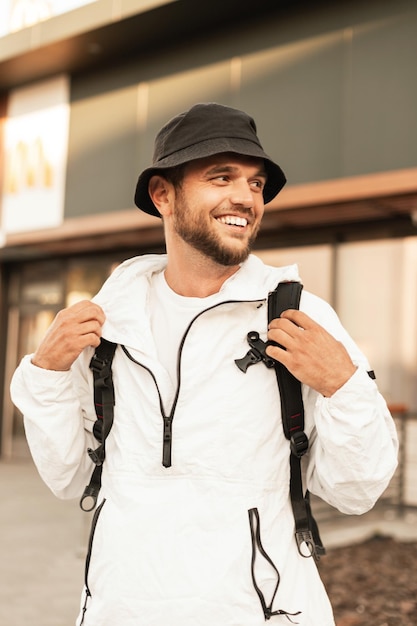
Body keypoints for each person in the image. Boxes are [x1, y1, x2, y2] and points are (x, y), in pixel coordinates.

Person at [10, 102, 398, 626]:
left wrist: (345, 386)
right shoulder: (108, 328)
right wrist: (47, 376)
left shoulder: (298, 316)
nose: (245, 197)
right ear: (162, 194)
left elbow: (357, 491)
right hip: (122, 610)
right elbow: (69, 475)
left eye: (256, 184)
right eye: (221, 177)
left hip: (262, 612)